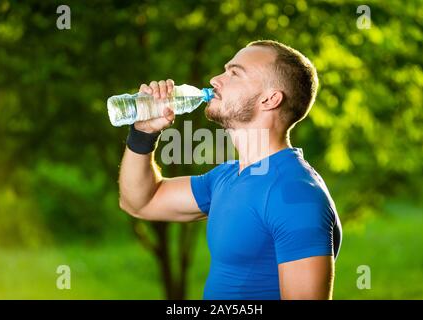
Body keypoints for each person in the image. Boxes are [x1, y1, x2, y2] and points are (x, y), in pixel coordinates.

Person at [118, 40, 342, 300]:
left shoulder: (295, 195)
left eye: (234, 73)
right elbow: (139, 202)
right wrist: (143, 133)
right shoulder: (226, 178)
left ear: (270, 99)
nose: (215, 79)